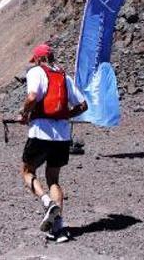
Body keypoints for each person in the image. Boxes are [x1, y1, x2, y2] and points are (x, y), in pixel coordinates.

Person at [18, 43, 88, 243]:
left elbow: (32, 97)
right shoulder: (65, 77)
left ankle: (46, 201)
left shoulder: (36, 72)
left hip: (40, 132)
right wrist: (65, 115)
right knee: (53, 179)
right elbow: (83, 105)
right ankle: (59, 229)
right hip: (62, 136)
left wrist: (24, 114)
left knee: (27, 171)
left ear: (39, 59)